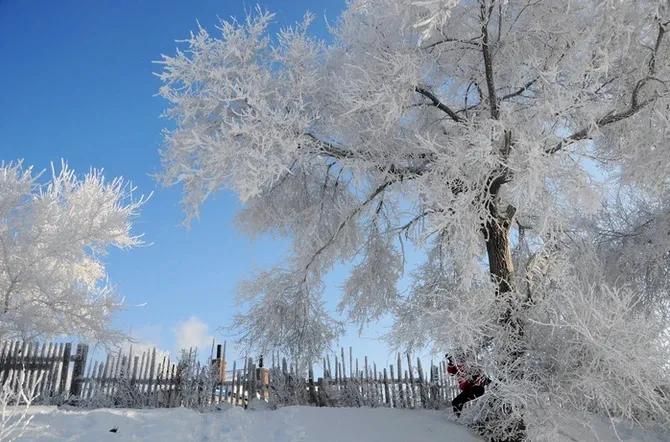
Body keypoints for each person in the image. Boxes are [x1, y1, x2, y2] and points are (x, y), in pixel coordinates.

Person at [446, 353, 489, 417]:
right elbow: (451, 372)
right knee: (455, 402)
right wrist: (450, 362)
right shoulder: (457, 367)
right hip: (467, 389)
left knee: (464, 399)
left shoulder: (470, 365)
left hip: (476, 388)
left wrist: (486, 381)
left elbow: (479, 375)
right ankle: (457, 418)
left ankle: (477, 416)